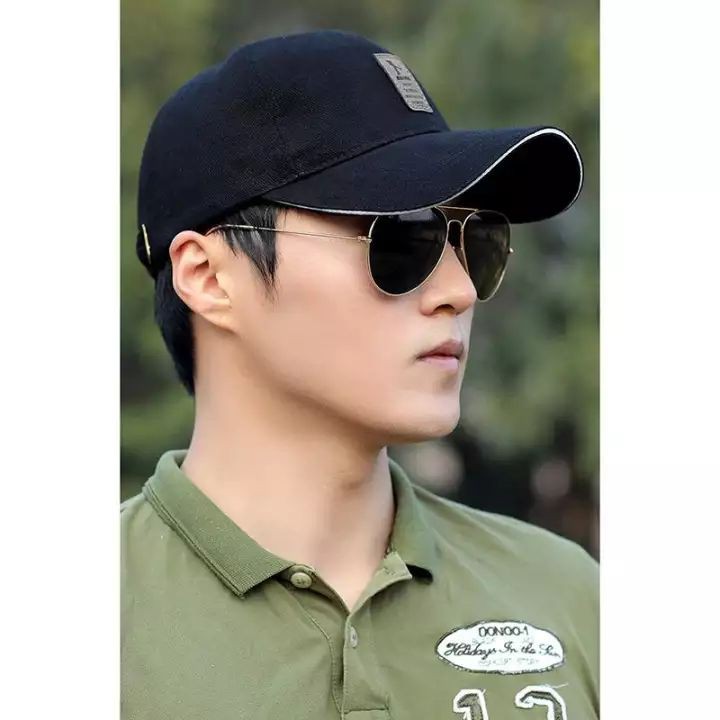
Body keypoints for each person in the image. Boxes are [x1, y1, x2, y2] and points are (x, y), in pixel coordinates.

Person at [121, 29, 597, 720]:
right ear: (209, 277)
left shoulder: (571, 600)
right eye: (401, 237)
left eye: (477, 240)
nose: (460, 289)